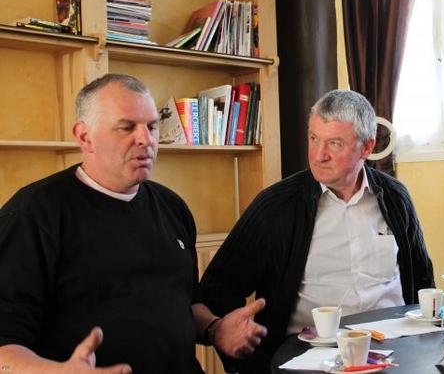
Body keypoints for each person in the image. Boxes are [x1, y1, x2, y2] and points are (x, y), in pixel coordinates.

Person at [0, 74, 266, 373]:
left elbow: (185, 305)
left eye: (152, 127)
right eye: (126, 127)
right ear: (85, 137)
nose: (146, 139)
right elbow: (5, 347)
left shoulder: (172, 207)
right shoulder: (33, 215)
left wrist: (215, 329)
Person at [197, 89, 435, 372]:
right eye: (313, 138)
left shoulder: (396, 197)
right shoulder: (276, 206)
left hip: (394, 351)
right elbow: (217, 290)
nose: (319, 155)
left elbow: (422, 279)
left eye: (334, 143)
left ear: (367, 147)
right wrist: (247, 355)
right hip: (311, 357)